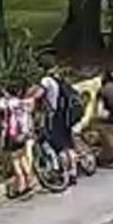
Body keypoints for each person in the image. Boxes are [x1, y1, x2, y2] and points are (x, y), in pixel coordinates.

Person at [27, 53, 83, 185]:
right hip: (66, 115)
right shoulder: (59, 77)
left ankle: (62, 173)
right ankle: (73, 173)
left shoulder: (46, 80)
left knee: (58, 147)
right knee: (68, 145)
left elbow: (37, 95)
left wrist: (26, 99)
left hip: (54, 116)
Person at [0, 82, 36, 198]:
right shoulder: (23, 102)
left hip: (12, 134)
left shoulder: (5, 102)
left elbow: (0, 110)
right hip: (24, 133)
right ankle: (30, 180)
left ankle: (21, 184)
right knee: (22, 156)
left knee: (14, 159)